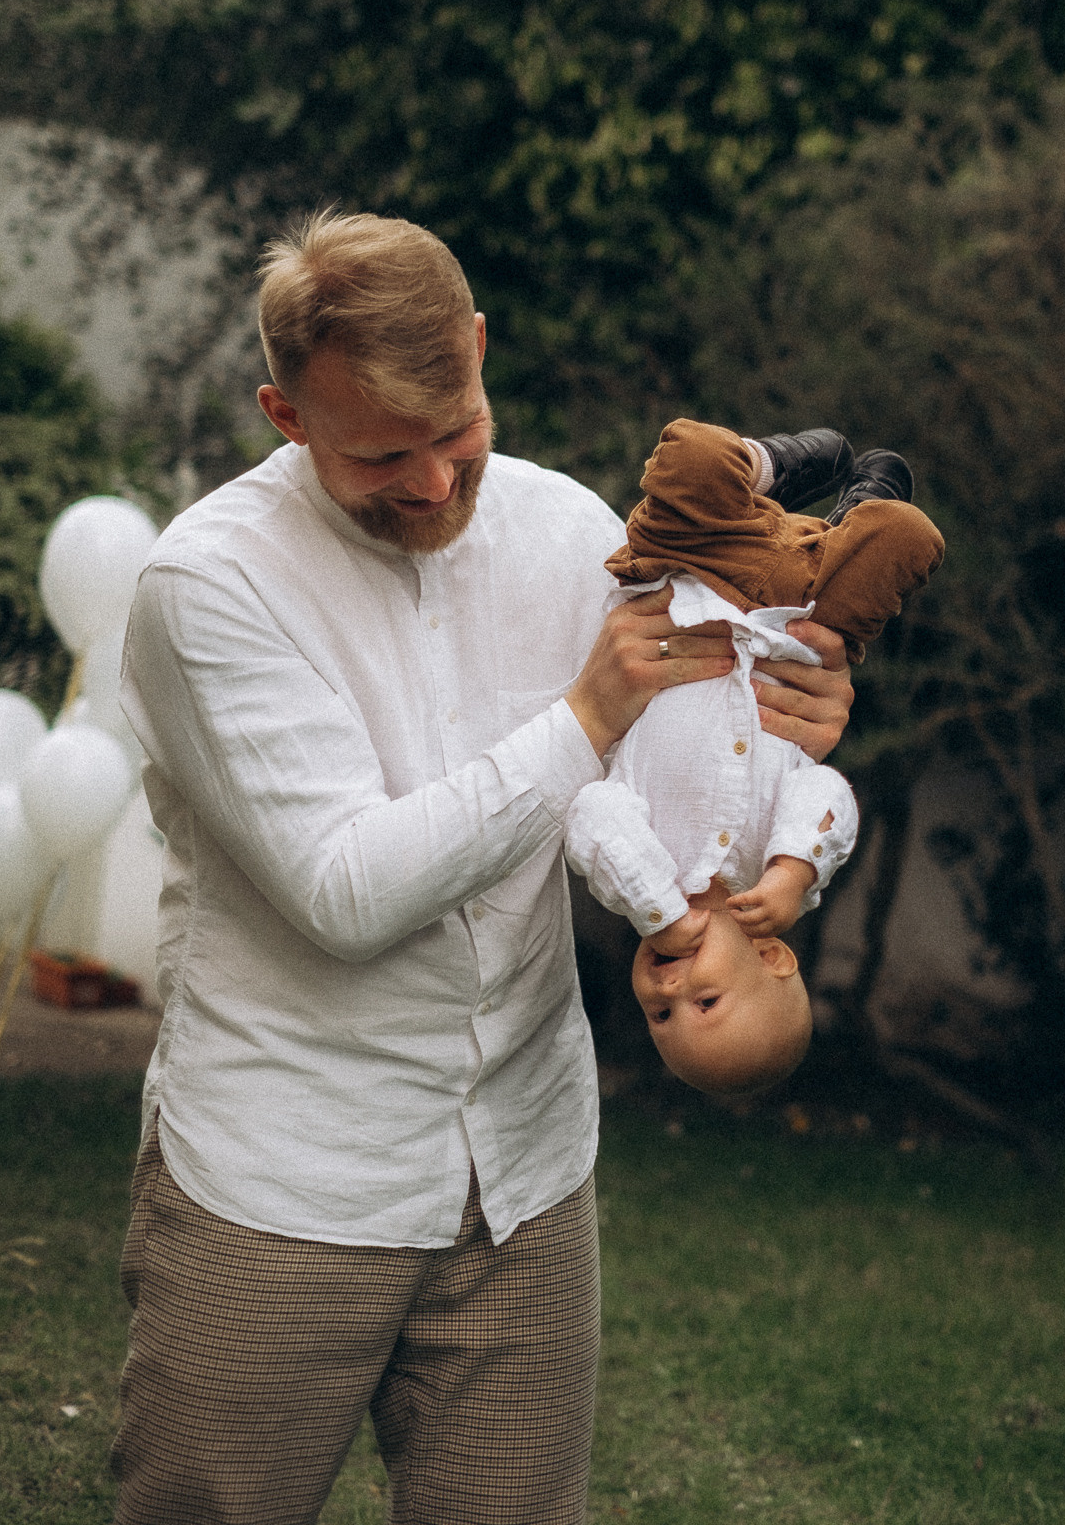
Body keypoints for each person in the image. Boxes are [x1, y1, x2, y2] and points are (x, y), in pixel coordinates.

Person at [111, 210, 854, 1525]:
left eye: (456, 429)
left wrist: (782, 718)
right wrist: (582, 719)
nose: (436, 483)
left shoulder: (571, 532)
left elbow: (675, 781)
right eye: (379, 455)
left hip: (523, 1174)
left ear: (479, 346)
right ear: (286, 415)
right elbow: (346, 892)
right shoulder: (207, 588)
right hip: (283, 1177)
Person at [565, 419, 945, 1093]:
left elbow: (591, 816)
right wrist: (792, 875)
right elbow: (825, 794)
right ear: (770, 956)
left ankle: (768, 475)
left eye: (659, 1013)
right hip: (801, 620)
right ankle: (850, 505)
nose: (671, 989)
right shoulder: (766, 866)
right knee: (909, 540)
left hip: (695, 576)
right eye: (703, 1002)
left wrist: (662, 911)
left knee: (689, 457)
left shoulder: (634, 875)